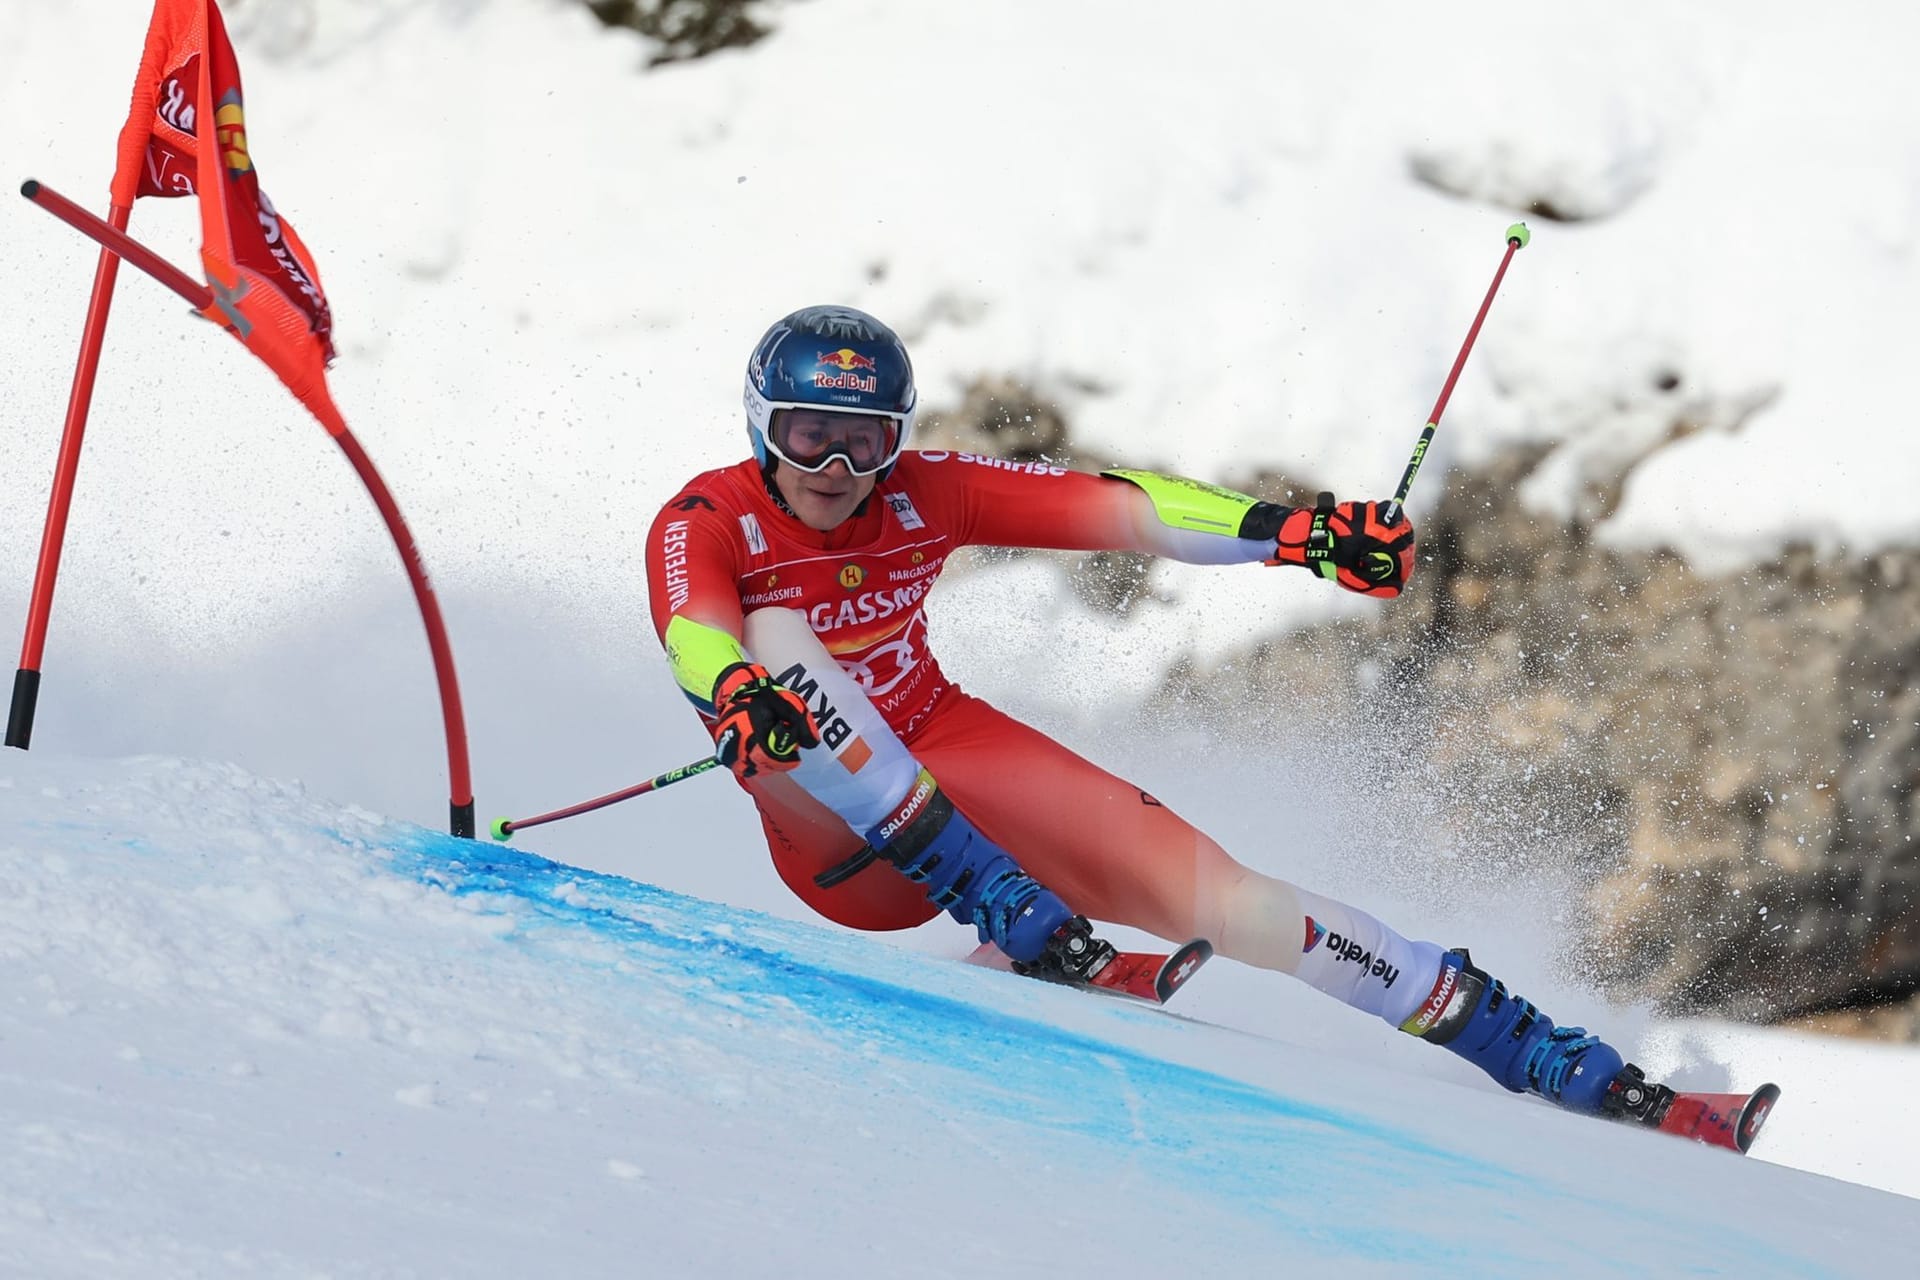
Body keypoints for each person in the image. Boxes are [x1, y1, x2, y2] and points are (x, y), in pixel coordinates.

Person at [644, 303, 1659, 1123]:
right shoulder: (706, 518)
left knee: (1232, 897)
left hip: (948, 753)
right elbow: (698, 630)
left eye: (864, 443)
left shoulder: (928, 489)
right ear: (760, 426)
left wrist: (1301, 535)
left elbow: (1122, 505)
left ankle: (1520, 1041)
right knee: (773, 637)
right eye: (808, 436)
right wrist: (732, 692)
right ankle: (1007, 909)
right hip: (838, 837)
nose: (836, 471)